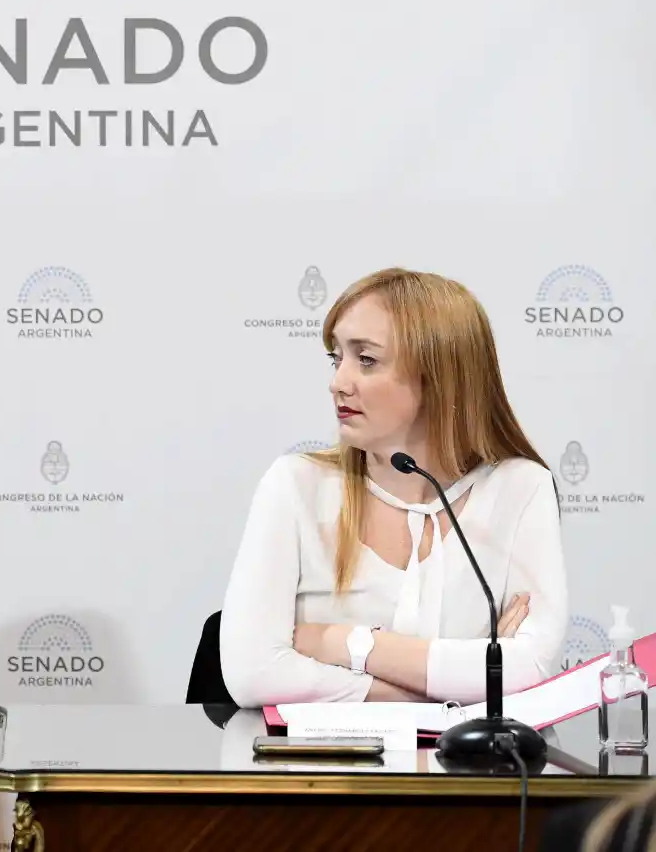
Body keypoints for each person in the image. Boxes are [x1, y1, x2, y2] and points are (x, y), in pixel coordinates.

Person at [219, 268, 567, 707]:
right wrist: (439, 692)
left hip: (471, 774)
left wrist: (340, 645)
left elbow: (527, 670)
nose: (338, 382)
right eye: (336, 358)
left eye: (366, 360)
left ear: (439, 377)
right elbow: (252, 673)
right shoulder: (296, 485)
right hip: (324, 773)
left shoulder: (521, 487)